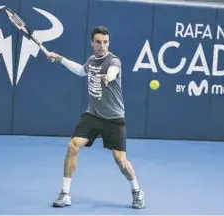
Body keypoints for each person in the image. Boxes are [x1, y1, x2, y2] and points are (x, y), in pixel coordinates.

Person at [47, 26, 145, 209]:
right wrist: (60, 59)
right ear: (92, 43)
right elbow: (81, 70)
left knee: (121, 160)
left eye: (105, 42)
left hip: (114, 118)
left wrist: (108, 77)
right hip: (93, 114)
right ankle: (65, 193)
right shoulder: (91, 60)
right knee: (73, 146)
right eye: (98, 42)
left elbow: (113, 71)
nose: (102, 46)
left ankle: (137, 191)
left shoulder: (113, 60)